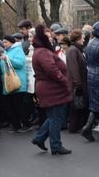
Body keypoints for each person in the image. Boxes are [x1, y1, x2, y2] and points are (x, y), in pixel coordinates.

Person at [30, 24, 73, 155]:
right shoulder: (43, 52)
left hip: (49, 88)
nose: (51, 39)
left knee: (53, 116)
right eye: (48, 38)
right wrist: (64, 80)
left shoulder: (40, 51)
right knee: (56, 118)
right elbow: (51, 70)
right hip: (52, 88)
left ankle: (39, 138)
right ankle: (56, 145)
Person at [0, 34, 32, 133]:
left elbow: (20, 63)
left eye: (6, 42)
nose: (4, 44)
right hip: (8, 83)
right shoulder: (6, 51)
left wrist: (7, 59)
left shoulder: (17, 50)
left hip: (18, 82)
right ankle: (16, 124)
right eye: (3, 42)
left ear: (12, 42)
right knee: (10, 106)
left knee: (19, 106)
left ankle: (26, 124)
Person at [65, 29, 89, 133]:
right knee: (76, 106)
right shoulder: (73, 50)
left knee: (80, 105)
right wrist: (78, 83)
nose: (84, 39)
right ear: (78, 39)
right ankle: (74, 127)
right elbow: (74, 68)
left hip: (80, 82)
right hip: (77, 83)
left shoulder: (77, 49)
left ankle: (79, 125)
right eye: (82, 38)